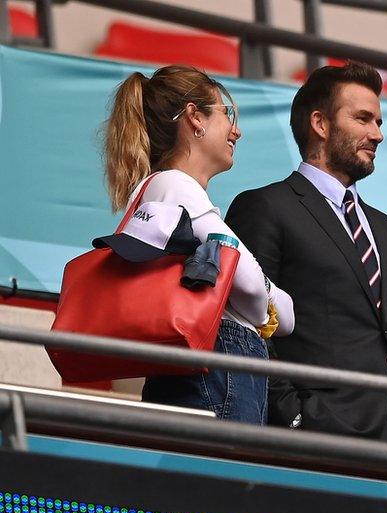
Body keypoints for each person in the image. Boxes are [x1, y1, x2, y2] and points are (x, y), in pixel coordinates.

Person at [225, 62, 387, 449]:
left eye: (379, 121)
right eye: (363, 119)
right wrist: (297, 418)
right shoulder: (265, 207)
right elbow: (248, 331)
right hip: (320, 440)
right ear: (320, 123)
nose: (378, 134)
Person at [103, 65, 295, 424]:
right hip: (218, 369)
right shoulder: (175, 185)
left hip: (204, 371)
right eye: (227, 114)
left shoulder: (158, 189)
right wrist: (269, 307)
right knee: (222, 476)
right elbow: (250, 281)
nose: (236, 130)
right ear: (195, 118)